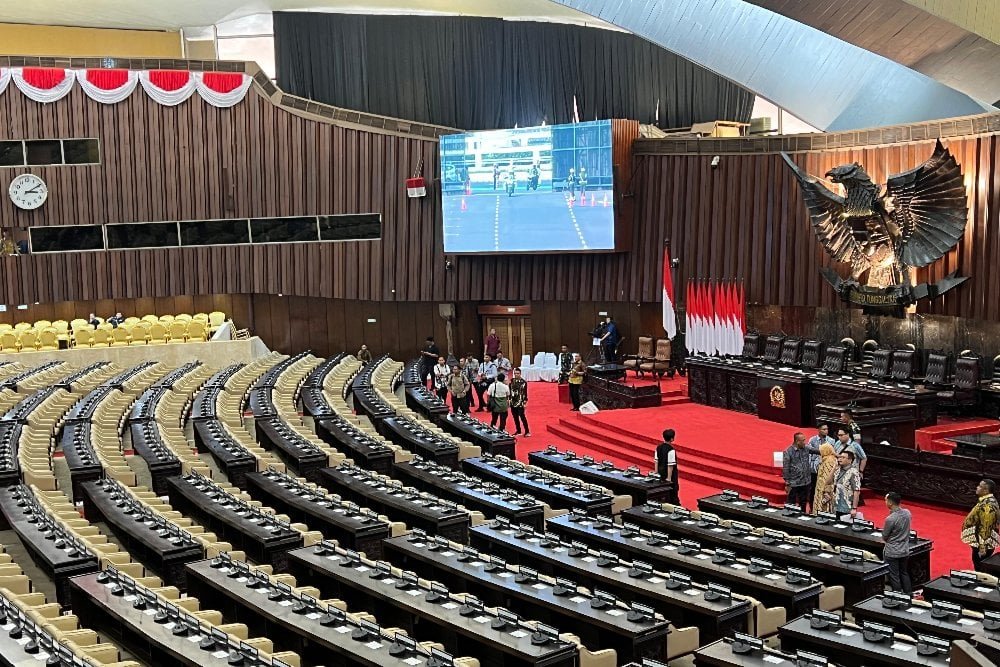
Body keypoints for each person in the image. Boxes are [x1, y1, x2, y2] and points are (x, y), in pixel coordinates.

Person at [961, 479, 1000, 570]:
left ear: (986, 490)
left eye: (979, 486)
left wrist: (982, 546)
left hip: (982, 542)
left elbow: (985, 526)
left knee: (979, 566)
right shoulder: (986, 500)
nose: (977, 487)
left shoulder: (987, 505)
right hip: (980, 540)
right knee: (978, 563)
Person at [882, 492, 912, 594]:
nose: (885, 502)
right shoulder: (907, 513)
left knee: (894, 576)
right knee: (904, 573)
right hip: (904, 550)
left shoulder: (890, 519)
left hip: (892, 552)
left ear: (890, 503)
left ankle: (898, 596)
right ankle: (909, 594)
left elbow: (885, 536)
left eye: (886, 500)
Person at [807, 424, 836, 511]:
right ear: (819, 430)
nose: (826, 431)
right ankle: (813, 508)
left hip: (826, 469)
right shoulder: (812, 440)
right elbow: (809, 452)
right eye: (824, 429)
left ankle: (824, 509)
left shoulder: (831, 441)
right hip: (814, 469)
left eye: (827, 429)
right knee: (813, 489)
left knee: (825, 489)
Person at [782, 433, 812, 513]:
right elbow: (786, 468)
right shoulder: (788, 451)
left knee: (803, 502)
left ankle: (803, 516)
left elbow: (817, 451)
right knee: (791, 503)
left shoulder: (806, 448)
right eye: (803, 441)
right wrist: (787, 483)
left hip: (805, 482)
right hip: (794, 483)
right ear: (797, 441)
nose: (805, 442)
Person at [654, 429, 680, 504]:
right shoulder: (671, 450)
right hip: (669, 475)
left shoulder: (658, 447)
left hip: (660, 473)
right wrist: (669, 478)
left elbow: (656, 461)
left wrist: (656, 473)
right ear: (672, 439)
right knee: (672, 492)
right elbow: (670, 465)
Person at [833, 450, 862, 518]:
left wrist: (854, 508)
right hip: (835, 505)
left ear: (850, 460)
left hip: (847, 507)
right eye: (839, 457)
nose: (840, 459)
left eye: (843, 457)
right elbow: (829, 483)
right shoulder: (838, 470)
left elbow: (856, 491)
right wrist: (833, 468)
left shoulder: (854, 472)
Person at [812, 443, 837, 515]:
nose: (820, 452)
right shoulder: (826, 458)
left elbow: (828, 477)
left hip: (824, 488)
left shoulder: (829, 460)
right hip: (821, 486)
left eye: (821, 450)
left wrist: (826, 491)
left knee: (824, 506)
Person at [509, 368, 530, 437]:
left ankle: (527, 431)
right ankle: (518, 430)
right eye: (515, 373)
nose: (516, 375)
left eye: (517, 373)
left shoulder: (523, 382)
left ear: (520, 374)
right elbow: (510, 391)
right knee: (515, 417)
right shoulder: (512, 381)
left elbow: (525, 392)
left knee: (522, 417)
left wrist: (525, 401)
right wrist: (509, 399)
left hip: (520, 402)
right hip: (513, 402)